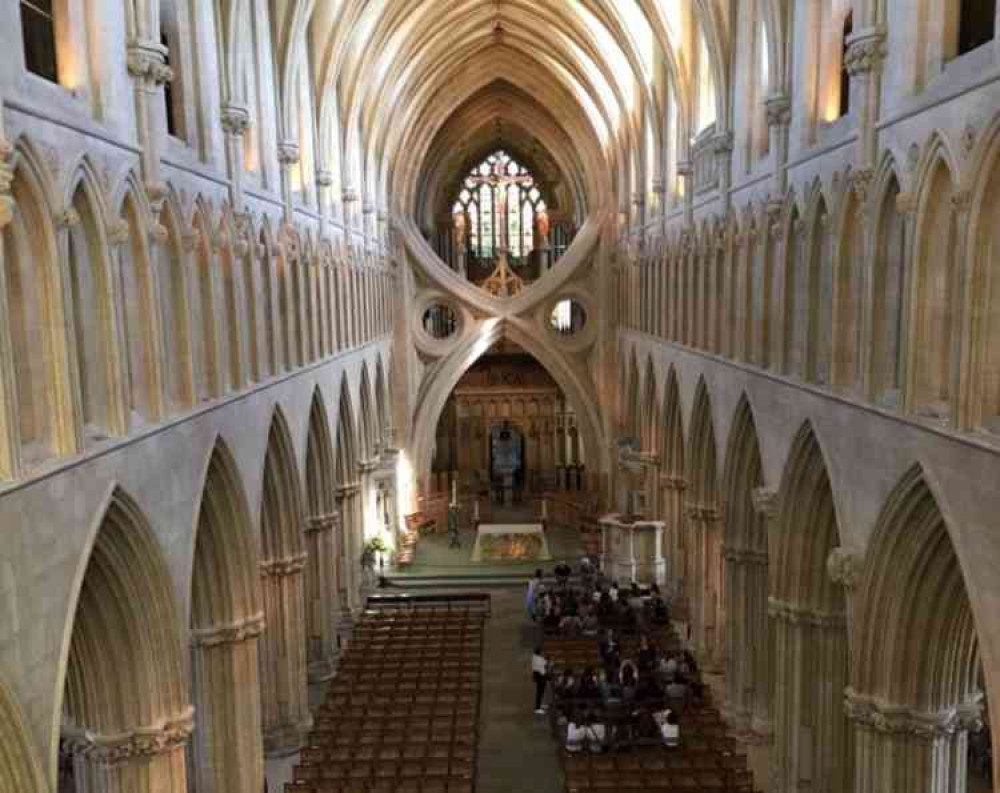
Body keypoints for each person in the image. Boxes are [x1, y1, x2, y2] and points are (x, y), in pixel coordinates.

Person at [532, 647, 550, 714]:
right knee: (540, 692)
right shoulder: (538, 658)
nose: (543, 653)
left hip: (539, 675)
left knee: (540, 692)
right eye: (542, 652)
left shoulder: (535, 657)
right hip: (540, 676)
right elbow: (546, 664)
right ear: (539, 652)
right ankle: (537, 708)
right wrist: (546, 659)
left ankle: (539, 705)